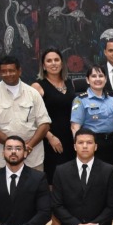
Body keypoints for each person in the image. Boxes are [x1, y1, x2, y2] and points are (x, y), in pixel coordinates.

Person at [0, 55, 52, 173]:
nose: (8, 74)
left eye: (11, 70)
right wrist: (15, 146)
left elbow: (44, 124)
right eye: (4, 71)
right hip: (2, 160)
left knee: (33, 190)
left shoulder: (33, 93)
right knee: (3, 191)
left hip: (32, 158)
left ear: (19, 71)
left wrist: (27, 146)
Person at [32, 48, 77, 206]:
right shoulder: (38, 86)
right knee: (53, 182)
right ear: (43, 66)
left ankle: (60, 224)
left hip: (70, 140)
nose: (53, 64)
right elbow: (33, 117)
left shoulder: (69, 84)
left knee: (68, 182)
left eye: (56, 60)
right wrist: (49, 137)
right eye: (49, 61)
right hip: (51, 141)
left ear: (62, 63)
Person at [69, 64, 113, 166]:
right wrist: (80, 146)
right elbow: (75, 127)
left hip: (111, 143)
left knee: (109, 175)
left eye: (101, 76)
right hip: (91, 143)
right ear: (87, 80)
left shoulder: (112, 99)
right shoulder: (80, 100)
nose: (98, 79)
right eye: (93, 76)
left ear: (105, 79)